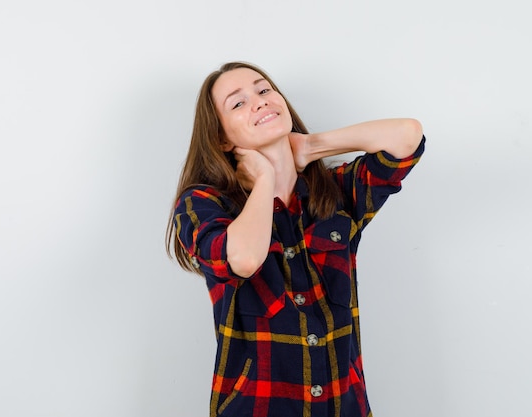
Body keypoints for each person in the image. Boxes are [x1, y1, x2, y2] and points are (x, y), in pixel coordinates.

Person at [166, 61, 425, 417]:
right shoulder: (203, 204)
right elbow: (241, 258)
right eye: (237, 103)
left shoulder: (333, 193)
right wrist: (263, 182)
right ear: (222, 138)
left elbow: (407, 136)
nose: (259, 101)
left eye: (264, 90)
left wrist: (313, 145)